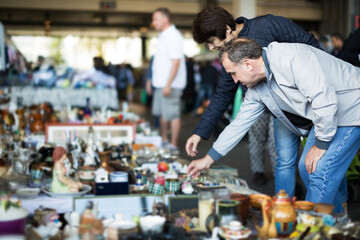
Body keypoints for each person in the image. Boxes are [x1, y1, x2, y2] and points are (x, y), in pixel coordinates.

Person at [187, 38, 360, 213]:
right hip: (328, 115)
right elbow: (238, 124)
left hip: (352, 107)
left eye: (233, 73)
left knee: (318, 170)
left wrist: (321, 144)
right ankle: (336, 222)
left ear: (247, 64)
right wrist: (208, 159)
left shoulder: (292, 59)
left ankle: (310, 228)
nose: (234, 80)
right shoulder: (257, 89)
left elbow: (324, 100)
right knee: (307, 169)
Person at [186, 6, 320, 192]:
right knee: (284, 163)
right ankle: (282, 210)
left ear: (227, 29)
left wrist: (318, 89)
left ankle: (332, 212)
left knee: (315, 167)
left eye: (211, 41)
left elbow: (311, 47)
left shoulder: (270, 25)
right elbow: (223, 94)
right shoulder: (228, 57)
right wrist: (199, 132)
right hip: (277, 110)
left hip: (313, 104)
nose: (211, 47)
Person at [151, 8, 186, 149]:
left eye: (155, 19)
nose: (153, 23)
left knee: (172, 114)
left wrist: (168, 84)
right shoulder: (164, 35)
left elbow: (176, 62)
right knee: (162, 113)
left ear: (165, 19)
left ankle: (173, 144)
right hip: (161, 83)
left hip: (171, 84)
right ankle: (165, 139)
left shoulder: (173, 36)